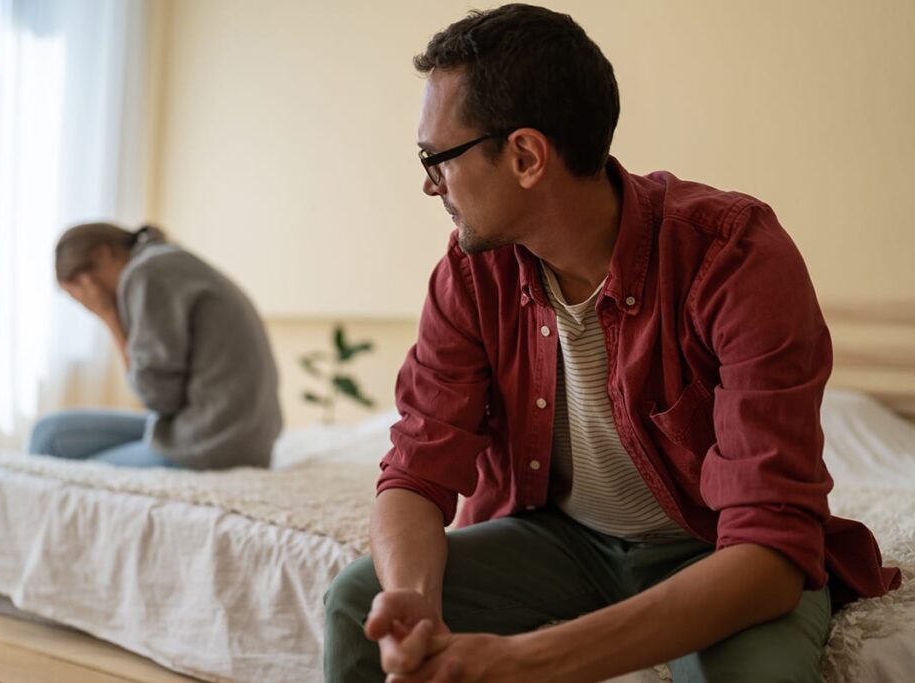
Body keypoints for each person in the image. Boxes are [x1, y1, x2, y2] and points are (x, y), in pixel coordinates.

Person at [323, 5, 900, 682]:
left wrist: (526, 659)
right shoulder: (472, 272)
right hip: (561, 540)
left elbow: (770, 554)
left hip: (716, 550)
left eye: (436, 157)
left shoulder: (734, 256)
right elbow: (417, 469)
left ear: (526, 156)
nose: (430, 183)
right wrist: (414, 602)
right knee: (355, 600)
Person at [27, 222, 282, 470]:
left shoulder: (147, 274)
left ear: (102, 254)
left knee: (56, 458)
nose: (85, 304)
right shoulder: (164, 260)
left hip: (212, 444)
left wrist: (108, 315)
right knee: (48, 433)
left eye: (82, 289)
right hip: (233, 433)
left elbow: (158, 397)